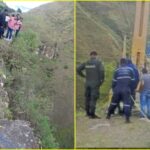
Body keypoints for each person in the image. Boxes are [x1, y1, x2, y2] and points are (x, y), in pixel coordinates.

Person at [77, 51, 105, 119]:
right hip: (95, 84)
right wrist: (101, 80)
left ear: (90, 55)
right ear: (96, 55)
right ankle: (92, 115)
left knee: (87, 98)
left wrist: (83, 76)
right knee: (93, 99)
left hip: (87, 83)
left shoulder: (86, 62)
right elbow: (102, 71)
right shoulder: (98, 63)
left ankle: (87, 113)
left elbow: (78, 69)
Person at [106, 58, 135, 123]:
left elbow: (113, 82)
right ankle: (127, 119)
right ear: (126, 62)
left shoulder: (117, 70)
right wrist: (131, 89)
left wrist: (114, 89)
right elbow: (133, 81)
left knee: (113, 103)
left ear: (120, 63)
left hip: (117, 89)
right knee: (127, 104)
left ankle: (108, 115)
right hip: (126, 89)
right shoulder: (130, 70)